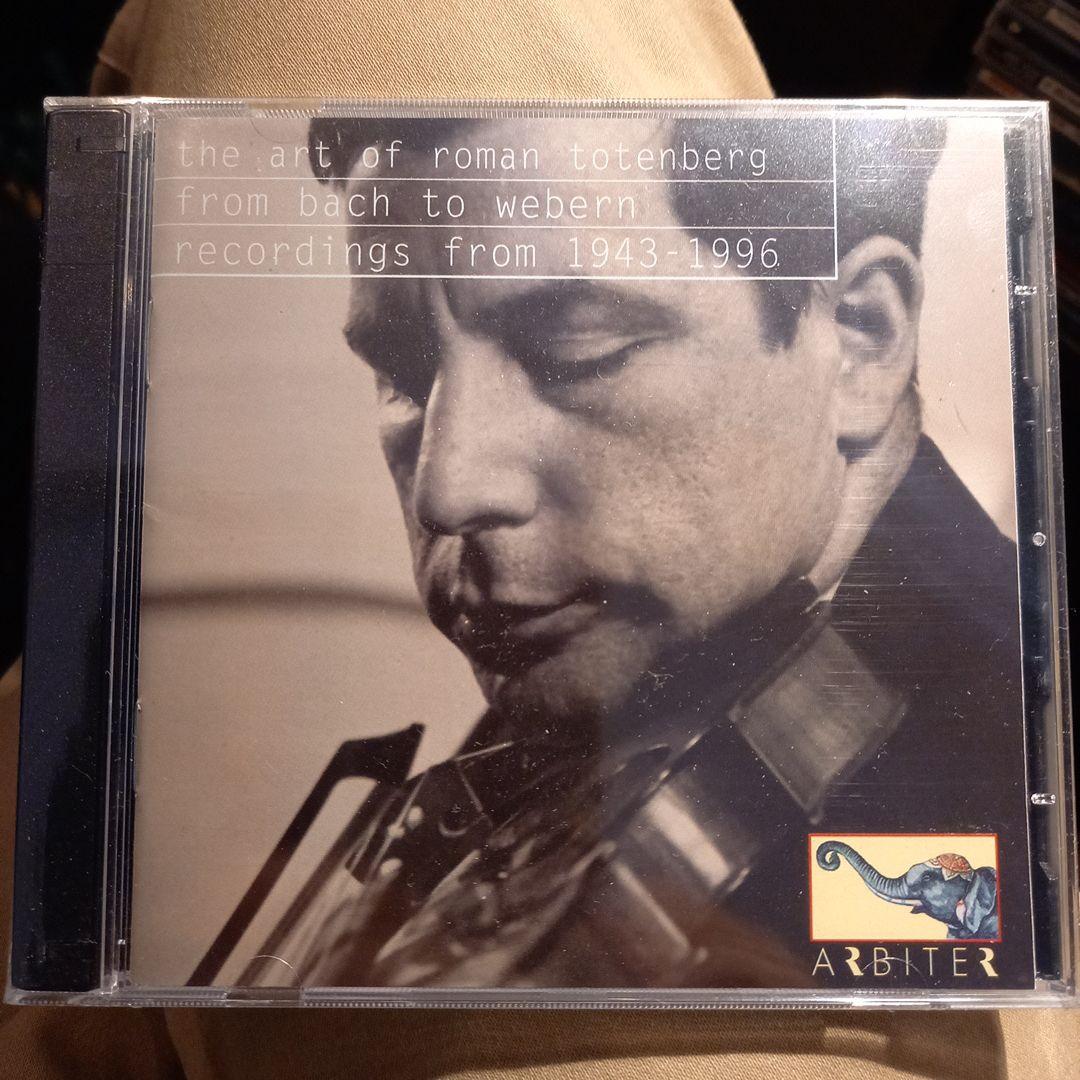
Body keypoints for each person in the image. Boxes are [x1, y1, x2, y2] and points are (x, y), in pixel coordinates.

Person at [200, 111, 1028, 990]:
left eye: (575, 353)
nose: (448, 491)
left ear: (860, 340)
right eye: (405, 376)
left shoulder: (1004, 806)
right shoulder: (641, 674)